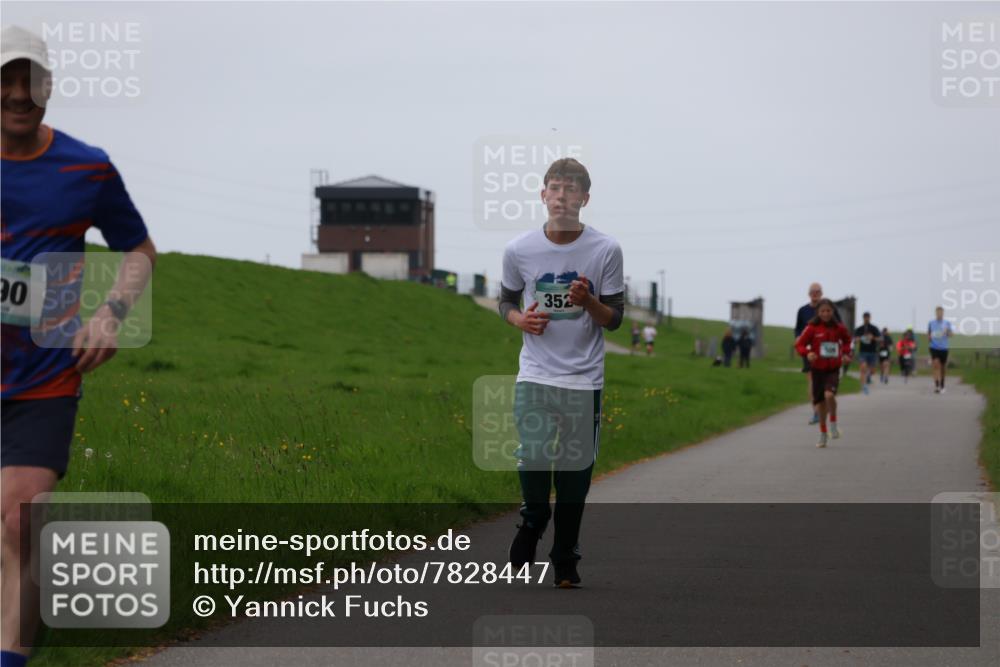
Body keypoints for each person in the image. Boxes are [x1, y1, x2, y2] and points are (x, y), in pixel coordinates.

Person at [1, 26, 156, 667]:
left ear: (50, 89)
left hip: (44, 374)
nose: (17, 94)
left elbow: (139, 250)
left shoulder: (86, 167)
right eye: (6, 80)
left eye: (31, 81)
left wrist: (111, 314)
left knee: (21, 519)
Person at [499, 157, 624, 589]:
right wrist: (521, 321)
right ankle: (533, 520)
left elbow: (615, 319)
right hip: (534, 373)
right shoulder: (519, 249)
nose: (562, 196)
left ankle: (565, 555)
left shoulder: (605, 249)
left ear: (585, 199)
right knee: (532, 451)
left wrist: (588, 301)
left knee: (575, 476)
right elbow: (506, 301)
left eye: (571, 190)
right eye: (555, 188)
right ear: (543, 195)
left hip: (583, 380)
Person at [795, 299, 852, 448]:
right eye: (822, 311)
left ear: (832, 312)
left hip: (833, 369)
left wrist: (846, 354)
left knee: (829, 395)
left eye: (828, 311)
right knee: (820, 404)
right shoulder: (811, 328)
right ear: (818, 313)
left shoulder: (838, 328)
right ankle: (823, 434)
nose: (826, 313)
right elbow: (799, 344)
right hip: (817, 369)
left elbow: (847, 341)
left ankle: (833, 423)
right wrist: (807, 353)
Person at [795, 283, 839, 424]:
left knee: (827, 381)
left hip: (828, 350)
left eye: (817, 291)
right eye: (812, 292)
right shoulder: (802, 310)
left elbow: (839, 326)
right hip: (811, 351)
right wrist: (799, 340)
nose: (815, 294)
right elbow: (798, 329)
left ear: (821, 293)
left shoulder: (829, 308)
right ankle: (816, 411)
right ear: (809, 294)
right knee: (812, 380)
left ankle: (826, 404)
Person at [928, 306, 954, 394]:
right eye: (938, 312)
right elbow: (929, 334)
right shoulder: (931, 323)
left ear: (943, 313)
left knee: (943, 367)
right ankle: (937, 385)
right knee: (935, 364)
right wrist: (930, 337)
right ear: (935, 313)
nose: (939, 314)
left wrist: (947, 332)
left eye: (941, 313)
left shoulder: (947, 323)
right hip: (934, 347)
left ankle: (942, 384)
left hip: (944, 348)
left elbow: (951, 335)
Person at [853, 311, 881, 395]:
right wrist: (858, 339)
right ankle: (864, 386)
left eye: (868, 317)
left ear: (870, 318)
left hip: (872, 352)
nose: (866, 319)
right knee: (863, 368)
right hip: (863, 352)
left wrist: (873, 338)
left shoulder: (874, 328)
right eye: (865, 317)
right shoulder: (859, 329)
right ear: (863, 318)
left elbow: (880, 339)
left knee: (872, 370)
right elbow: (854, 339)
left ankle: (868, 376)